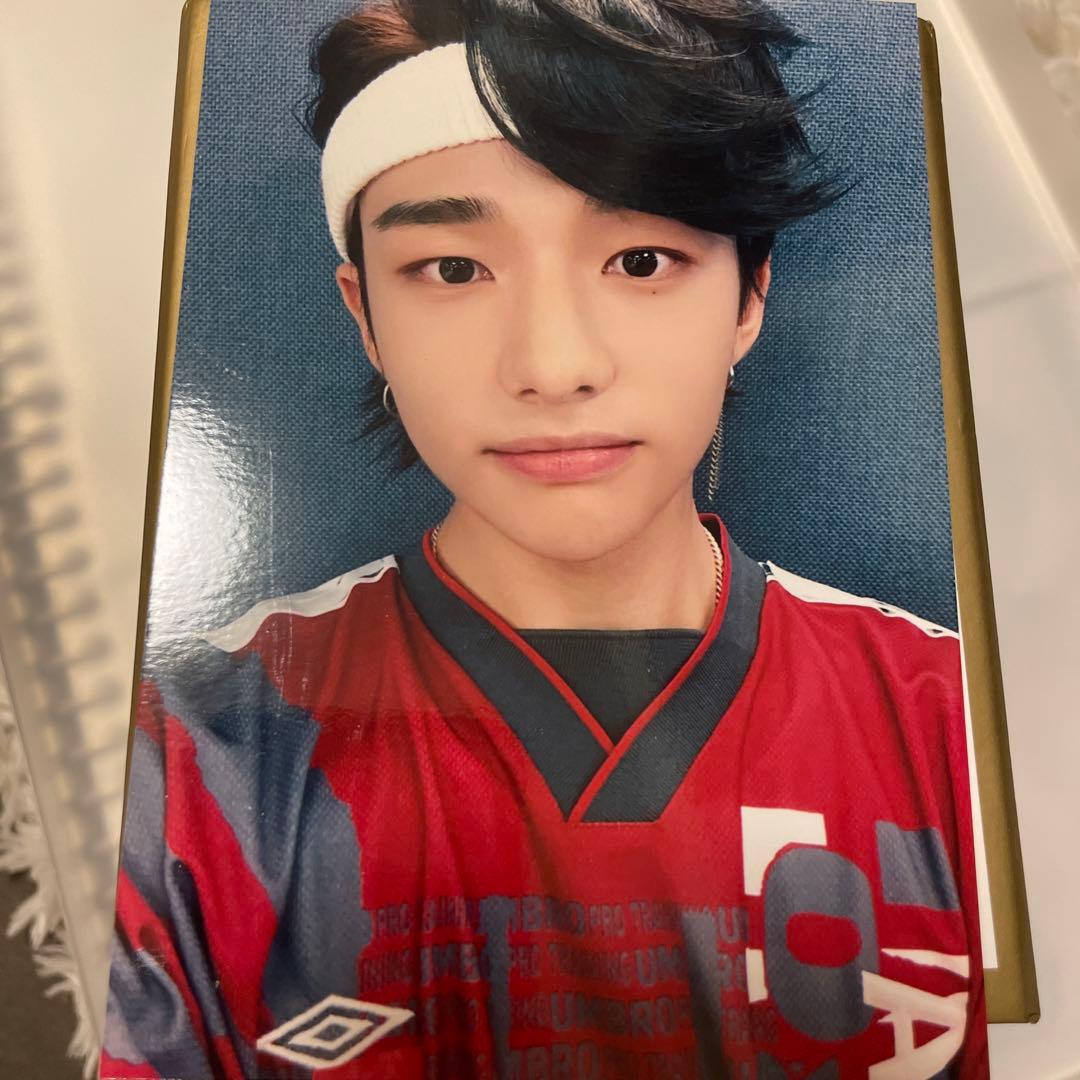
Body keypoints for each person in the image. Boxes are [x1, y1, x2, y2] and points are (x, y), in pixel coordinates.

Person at [99, 0, 988, 1077]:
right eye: (454, 269)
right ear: (365, 314)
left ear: (751, 292)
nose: (553, 366)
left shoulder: (970, 732)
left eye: (644, 259)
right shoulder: (180, 769)